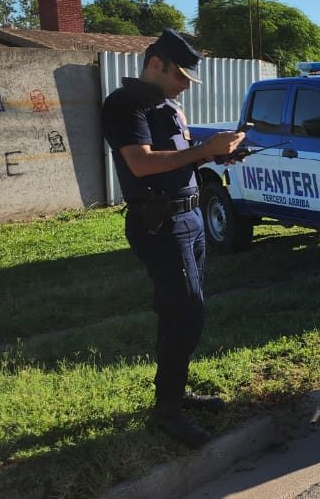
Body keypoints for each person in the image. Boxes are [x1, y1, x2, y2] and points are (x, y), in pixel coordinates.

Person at [101, 29, 245, 448]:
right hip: (161, 223)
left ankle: (175, 393)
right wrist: (203, 150)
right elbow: (141, 164)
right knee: (185, 312)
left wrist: (216, 153)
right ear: (155, 64)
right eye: (180, 75)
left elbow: (178, 156)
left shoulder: (165, 105)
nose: (186, 85)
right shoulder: (125, 104)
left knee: (182, 312)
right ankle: (167, 412)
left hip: (190, 217)